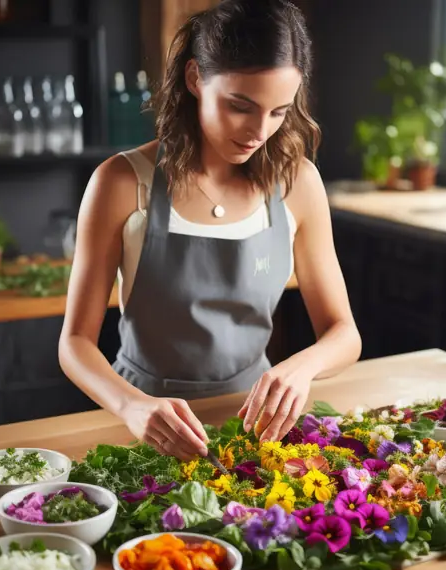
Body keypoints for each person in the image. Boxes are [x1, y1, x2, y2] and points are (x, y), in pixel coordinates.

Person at [58, 0, 362, 462]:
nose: (260, 130)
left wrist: (302, 368)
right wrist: (133, 407)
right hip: (143, 423)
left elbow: (344, 333)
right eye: (241, 106)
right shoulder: (122, 183)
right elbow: (75, 343)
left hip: (254, 428)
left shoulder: (297, 183)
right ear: (196, 78)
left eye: (279, 111)